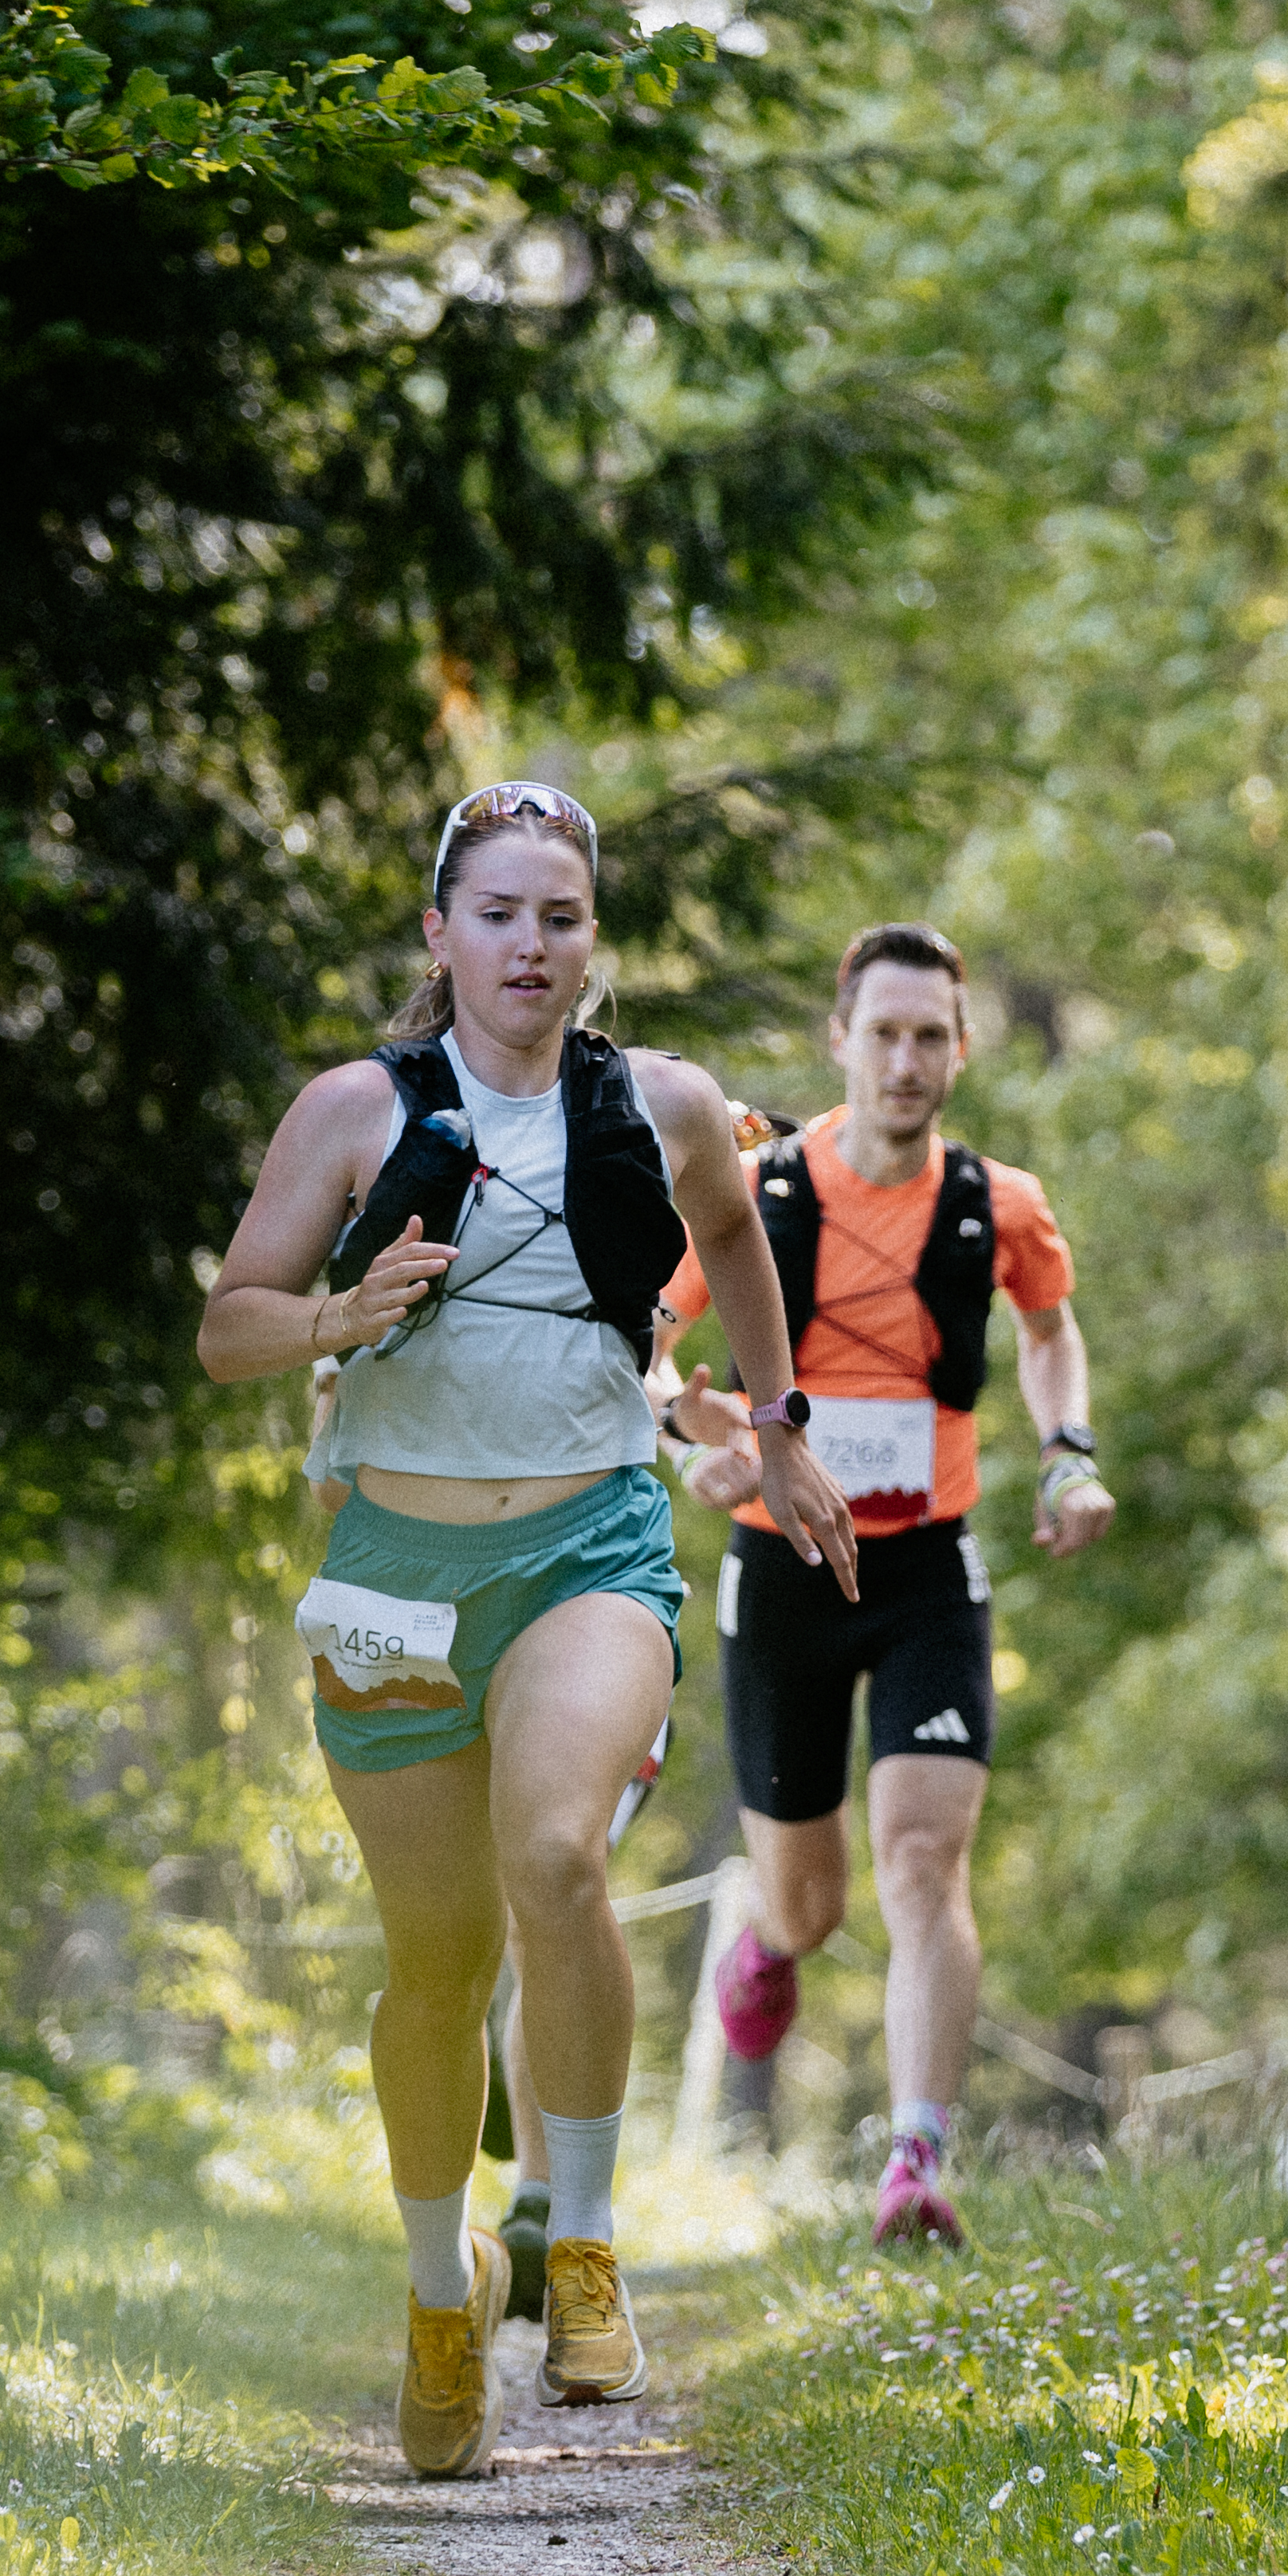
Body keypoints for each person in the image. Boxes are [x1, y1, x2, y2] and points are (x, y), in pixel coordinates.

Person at [198, 780, 855, 2480]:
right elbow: (230, 1326)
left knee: (558, 1854)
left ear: (592, 940)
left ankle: (583, 2245)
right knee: (434, 1962)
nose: (530, 944)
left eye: (560, 916)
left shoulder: (667, 1104)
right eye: (497, 912)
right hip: (397, 1573)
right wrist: (338, 1313)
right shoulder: (358, 1109)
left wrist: (778, 1429)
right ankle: (440, 2293)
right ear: (440, 933)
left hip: (590, 1540)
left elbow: (731, 1234)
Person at [660, 923, 1110, 2249]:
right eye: (884, 1034)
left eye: (931, 1037)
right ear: (839, 1040)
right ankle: (769, 1944)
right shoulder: (757, 1194)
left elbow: (1048, 1331)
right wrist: (710, 1443)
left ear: (960, 1051)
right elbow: (647, 1347)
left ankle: (917, 2160)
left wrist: (1068, 1455)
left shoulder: (997, 1205)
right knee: (810, 1901)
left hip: (927, 1569)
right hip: (784, 1569)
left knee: (924, 1861)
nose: (907, 1061)